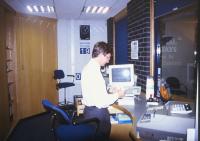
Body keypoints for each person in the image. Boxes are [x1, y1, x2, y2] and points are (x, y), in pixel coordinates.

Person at [81, 41, 125, 141]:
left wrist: (110, 90)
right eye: (108, 57)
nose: (108, 61)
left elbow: (95, 91)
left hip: (90, 112)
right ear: (101, 55)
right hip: (97, 115)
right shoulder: (93, 72)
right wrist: (118, 94)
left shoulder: (89, 68)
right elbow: (102, 101)